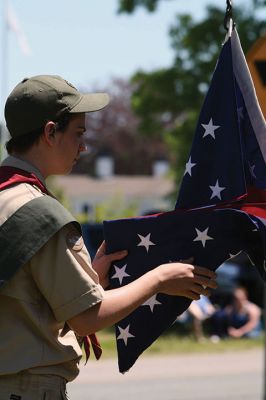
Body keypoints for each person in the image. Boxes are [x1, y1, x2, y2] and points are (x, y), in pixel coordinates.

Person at [0, 75, 217, 399]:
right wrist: (159, 278)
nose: (84, 146)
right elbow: (87, 318)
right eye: (78, 133)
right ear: (49, 132)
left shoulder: (6, 198)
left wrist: (89, 281)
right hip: (25, 388)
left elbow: (25, 303)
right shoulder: (38, 213)